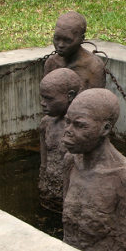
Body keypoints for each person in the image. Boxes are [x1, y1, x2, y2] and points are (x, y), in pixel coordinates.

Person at [61, 88, 126, 251]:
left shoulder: (125, 178)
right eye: (68, 122)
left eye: (80, 125)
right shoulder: (70, 161)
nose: (68, 132)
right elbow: (67, 228)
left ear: (105, 129)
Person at [38, 68, 83, 213]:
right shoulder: (46, 123)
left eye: (49, 99)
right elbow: (43, 159)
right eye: (42, 97)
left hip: (71, 194)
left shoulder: (81, 129)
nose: (42, 103)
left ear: (70, 96)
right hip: (50, 191)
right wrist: (43, 181)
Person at [44, 11, 106, 91]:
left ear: (82, 39)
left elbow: (96, 100)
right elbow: (46, 97)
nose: (60, 45)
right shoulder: (51, 63)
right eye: (57, 38)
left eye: (68, 40)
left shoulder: (93, 67)